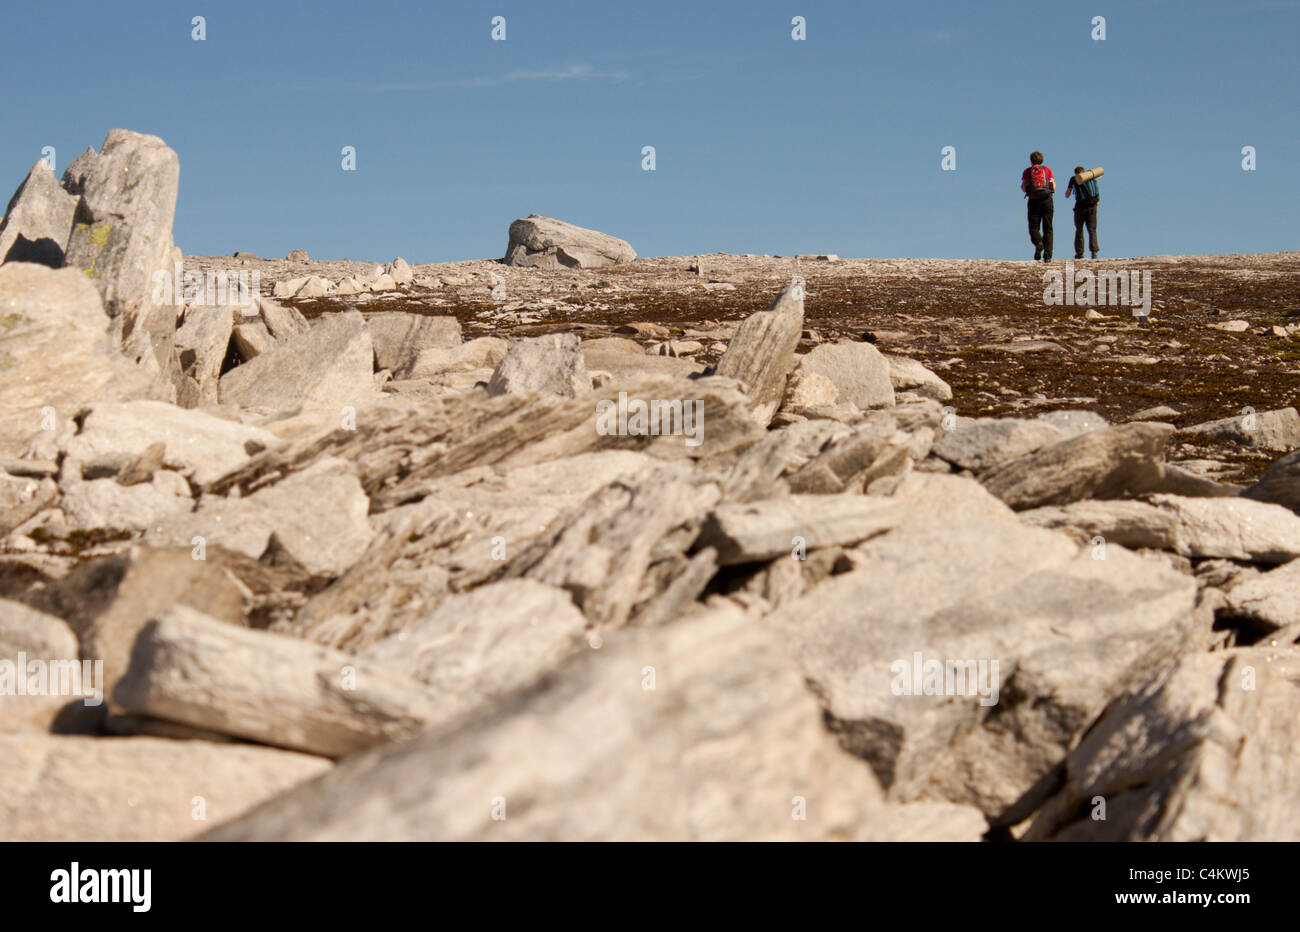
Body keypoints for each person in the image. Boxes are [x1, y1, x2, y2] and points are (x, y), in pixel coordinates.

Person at [1020, 151, 1055, 261]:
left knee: (1033, 227)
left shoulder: (1027, 171)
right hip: (1047, 200)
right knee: (1048, 228)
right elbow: (1053, 185)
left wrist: (1030, 191)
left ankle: (1039, 243)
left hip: (1034, 201)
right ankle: (1048, 256)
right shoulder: (1047, 170)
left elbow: (1023, 187)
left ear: (1031, 161)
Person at [1065, 166, 1100, 259]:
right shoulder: (1091, 177)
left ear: (1076, 173)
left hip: (1080, 207)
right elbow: (1097, 193)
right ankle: (1094, 252)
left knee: (1079, 230)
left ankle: (1079, 253)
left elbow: (1067, 195)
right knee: (1092, 229)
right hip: (1092, 206)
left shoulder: (1074, 179)